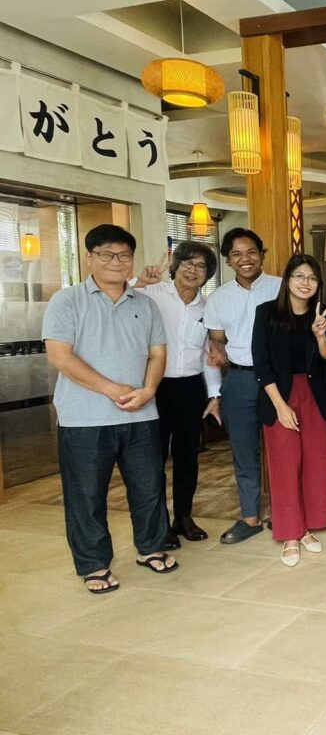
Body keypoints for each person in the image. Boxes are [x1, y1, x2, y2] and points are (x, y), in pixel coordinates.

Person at [42, 224, 177, 593]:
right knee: (86, 495)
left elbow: (157, 354)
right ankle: (94, 565)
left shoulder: (145, 304)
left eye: (124, 255)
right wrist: (110, 389)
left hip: (141, 415)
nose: (116, 261)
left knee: (149, 487)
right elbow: (59, 355)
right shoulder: (67, 301)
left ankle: (151, 547)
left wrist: (149, 389)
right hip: (84, 419)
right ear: (89, 257)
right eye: (107, 254)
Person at [133, 242, 222, 549]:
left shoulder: (207, 307)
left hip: (191, 388)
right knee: (153, 458)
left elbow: (208, 355)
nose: (193, 270)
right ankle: (159, 523)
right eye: (188, 263)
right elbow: (116, 300)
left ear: (207, 274)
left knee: (187, 458)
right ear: (175, 265)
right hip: (155, 387)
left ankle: (183, 517)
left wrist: (214, 394)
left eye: (201, 266)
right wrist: (138, 282)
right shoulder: (152, 294)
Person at [252, 254, 326, 567]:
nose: (306, 283)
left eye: (312, 278)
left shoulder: (322, 314)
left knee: (316, 463)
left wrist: (320, 335)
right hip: (279, 396)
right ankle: (290, 533)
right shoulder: (266, 313)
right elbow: (261, 364)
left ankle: (308, 527)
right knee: (285, 465)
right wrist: (280, 406)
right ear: (287, 280)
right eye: (300, 276)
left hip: (316, 396)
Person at [204, 228, 282, 544]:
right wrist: (216, 389)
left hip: (277, 378)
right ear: (228, 260)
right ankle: (250, 517)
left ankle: (286, 512)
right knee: (244, 450)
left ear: (262, 254)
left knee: (283, 447)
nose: (244, 259)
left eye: (251, 252)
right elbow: (216, 344)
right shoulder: (218, 298)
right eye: (236, 254)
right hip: (239, 379)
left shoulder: (282, 288)